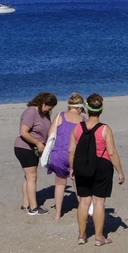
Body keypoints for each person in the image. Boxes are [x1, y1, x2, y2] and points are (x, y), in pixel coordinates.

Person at [67, 93, 125, 245]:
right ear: (101, 110)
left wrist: (72, 167)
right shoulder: (105, 129)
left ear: (87, 109)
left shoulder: (78, 128)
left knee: (83, 201)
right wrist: (120, 171)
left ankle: (81, 235)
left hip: (81, 166)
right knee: (99, 202)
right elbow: (111, 153)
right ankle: (99, 237)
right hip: (101, 166)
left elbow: (71, 150)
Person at [45, 93, 86, 221]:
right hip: (75, 155)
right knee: (78, 184)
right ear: (80, 107)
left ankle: (58, 213)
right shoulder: (83, 120)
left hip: (58, 154)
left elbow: (50, 134)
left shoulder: (60, 116)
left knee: (60, 183)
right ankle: (83, 211)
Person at [17, 92, 58, 214]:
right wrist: (38, 143)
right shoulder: (31, 112)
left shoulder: (44, 114)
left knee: (28, 176)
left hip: (35, 148)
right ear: (43, 103)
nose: (50, 110)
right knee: (32, 177)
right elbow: (23, 132)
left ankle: (26, 204)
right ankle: (33, 208)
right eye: (49, 107)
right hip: (25, 147)